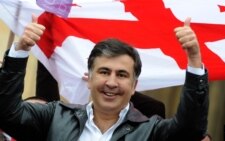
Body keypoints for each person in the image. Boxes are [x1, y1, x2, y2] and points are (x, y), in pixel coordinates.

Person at [0, 15, 209, 141]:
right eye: (104, 72)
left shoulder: (150, 132)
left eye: (122, 75)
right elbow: (7, 114)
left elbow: (189, 132)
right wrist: (21, 50)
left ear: (134, 85)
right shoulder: (55, 117)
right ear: (89, 78)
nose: (111, 82)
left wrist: (194, 61)